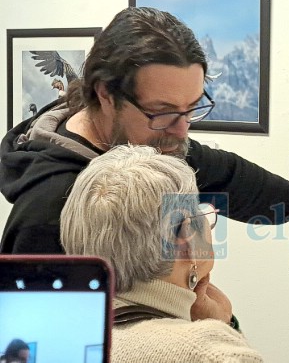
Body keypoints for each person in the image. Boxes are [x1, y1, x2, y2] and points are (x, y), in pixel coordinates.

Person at [0, 6, 289, 254]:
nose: (180, 131)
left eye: (191, 109)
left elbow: (234, 179)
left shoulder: (152, 146)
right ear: (106, 94)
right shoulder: (49, 207)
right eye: (162, 112)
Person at [61, 144, 263, 362]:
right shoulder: (212, 353)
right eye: (199, 210)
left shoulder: (55, 334)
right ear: (187, 237)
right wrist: (223, 327)